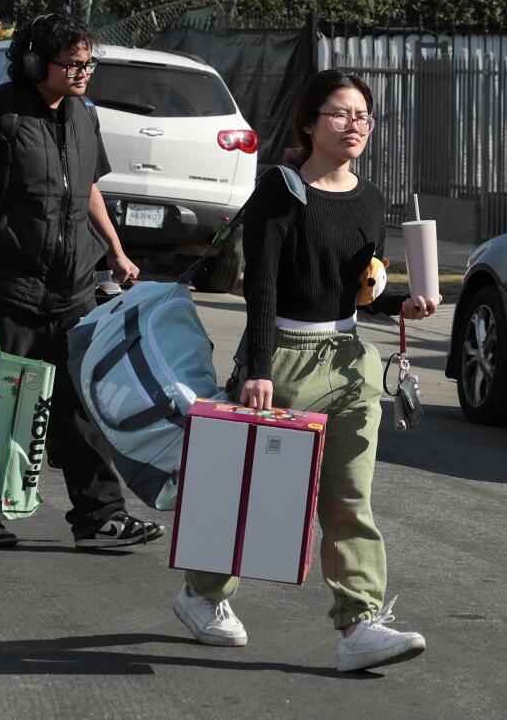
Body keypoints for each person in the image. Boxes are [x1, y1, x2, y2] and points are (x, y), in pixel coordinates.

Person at [172, 69, 437, 673]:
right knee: (257, 496)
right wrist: (259, 366)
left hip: (348, 362)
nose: (354, 126)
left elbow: (358, 288)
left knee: (349, 498)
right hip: (283, 357)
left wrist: (403, 302)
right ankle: (202, 593)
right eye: (340, 114)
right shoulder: (281, 190)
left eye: (363, 116)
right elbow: (260, 283)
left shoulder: (369, 198)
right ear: (310, 122)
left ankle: (359, 624)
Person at [0, 13, 161, 552]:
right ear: (32, 63)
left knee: (76, 405)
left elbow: (87, 187)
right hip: (3, 289)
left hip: (71, 292)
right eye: (71, 63)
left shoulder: (83, 118)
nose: (82, 72)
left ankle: (99, 518)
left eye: (88, 62)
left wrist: (115, 250)